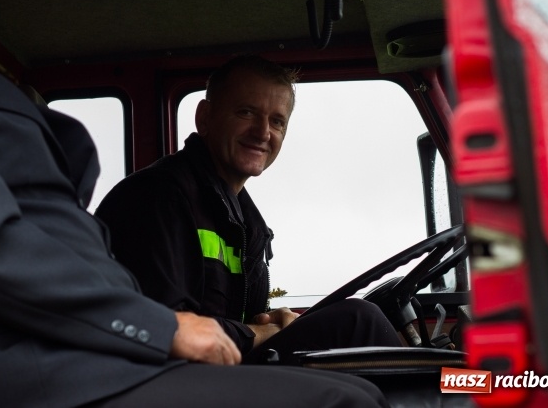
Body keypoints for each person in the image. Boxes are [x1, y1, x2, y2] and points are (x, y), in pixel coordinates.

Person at [0, 0, 390, 408]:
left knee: (361, 356)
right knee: (350, 399)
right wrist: (159, 326)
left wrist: (262, 324)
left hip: (103, 353)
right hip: (57, 368)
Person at [96, 55, 402, 366]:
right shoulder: (157, 197)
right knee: (359, 320)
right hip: (165, 378)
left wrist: (271, 320)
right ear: (205, 117)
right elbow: (165, 331)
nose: (263, 132)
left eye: (277, 121)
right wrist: (259, 332)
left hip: (223, 370)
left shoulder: (247, 223)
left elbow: (241, 321)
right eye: (246, 112)